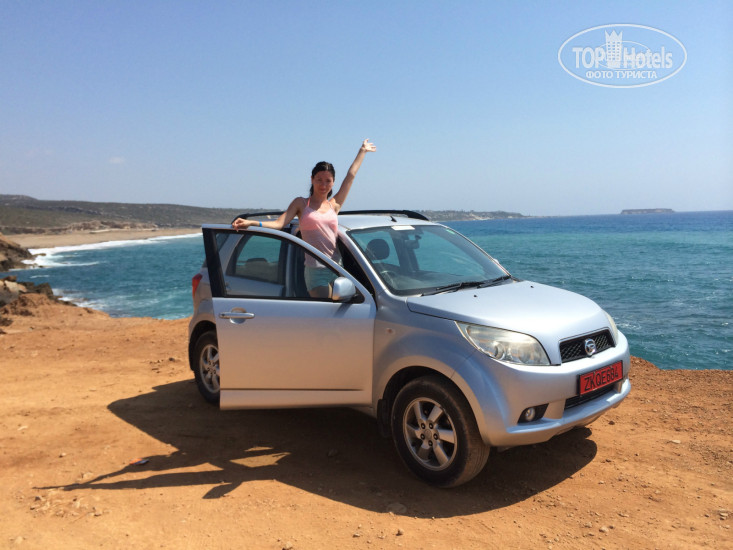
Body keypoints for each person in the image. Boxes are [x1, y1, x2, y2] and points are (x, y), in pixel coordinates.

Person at [232, 138, 377, 297]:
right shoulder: (301, 203)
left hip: (337, 267)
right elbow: (279, 223)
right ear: (312, 179)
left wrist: (362, 151)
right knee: (326, 310)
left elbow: (351, 176)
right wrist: (251, 223)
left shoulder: (334, 205)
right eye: (319, 180)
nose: (323, 185)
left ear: (333, 182)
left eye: (328, 181)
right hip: (315, 271)